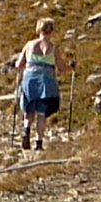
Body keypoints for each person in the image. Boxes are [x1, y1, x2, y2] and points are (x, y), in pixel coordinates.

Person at [14, 17, 69, 150]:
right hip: (47, 81)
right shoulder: (53, 48)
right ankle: (39, 143)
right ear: (52, 30)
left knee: (29, 108)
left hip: (30, 78)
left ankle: (26, 130)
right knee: (42, 113)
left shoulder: (29, 45)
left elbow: (18, 65)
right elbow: (61, 68)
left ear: (39, 29)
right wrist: (71, 67)